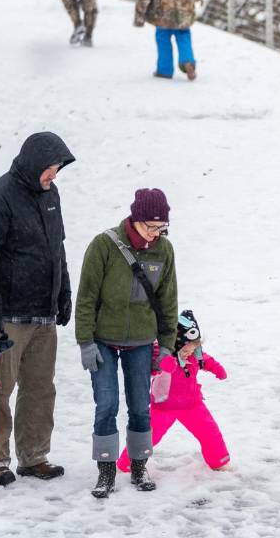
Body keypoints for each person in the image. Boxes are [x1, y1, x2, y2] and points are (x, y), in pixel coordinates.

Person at [0, 131, 76, 487]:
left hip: (43, 314)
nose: (54, 176)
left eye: (57, 170)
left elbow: (56, 247)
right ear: (33, 164)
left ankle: (33, 456)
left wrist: (63, 290)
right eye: (50, 169)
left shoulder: (51, 196)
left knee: (40, 388)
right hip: (9, 315)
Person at [76, 188, 179, 499]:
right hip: (103, 340)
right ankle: (105, 470)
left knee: (140, 407)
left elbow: (168, 301)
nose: (156, 234)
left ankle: (138, 466)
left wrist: (168, 346)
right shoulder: (104, 245)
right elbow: (86, 297)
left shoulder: (164, 251)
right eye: (151, 227)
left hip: (142, 341)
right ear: (135, 220)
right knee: (106, 403)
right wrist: (85, 342)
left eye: (162, 228)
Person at [116, 310, 230, 474]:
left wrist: (217, 369)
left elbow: (206, 360)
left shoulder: (195, 355)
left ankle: (218, 462)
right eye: (185, 351)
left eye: (192, 350)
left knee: (210, 432)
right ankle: (126, 464)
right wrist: (164, 365)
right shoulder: (161, 354)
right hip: (163, 407)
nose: (189, 354)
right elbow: (152, 368)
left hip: (192, 405)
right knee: (148, 437)